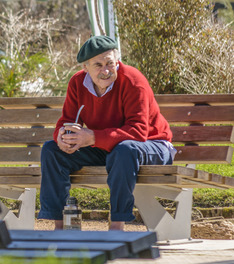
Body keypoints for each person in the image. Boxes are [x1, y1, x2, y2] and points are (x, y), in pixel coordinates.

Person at [38, 35, 176, 231]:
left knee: (124, 150)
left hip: (153, 145)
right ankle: (59, 227)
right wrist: (62, 136)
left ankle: (117, 227)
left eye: (110, 63)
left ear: (117, 61)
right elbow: (68, 120)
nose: (106, 70)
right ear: (85, 67)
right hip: (108, 147)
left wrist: (92, 137)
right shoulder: (77, 83)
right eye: (98, 65)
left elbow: (138, 132)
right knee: (51, 150)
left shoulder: (133, 80)